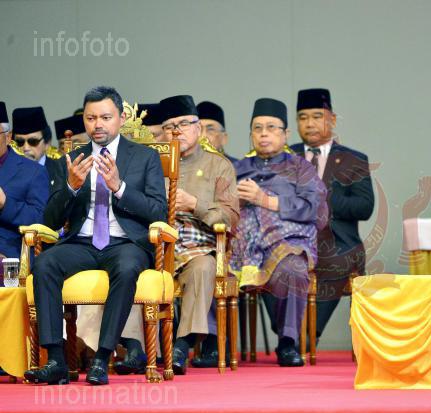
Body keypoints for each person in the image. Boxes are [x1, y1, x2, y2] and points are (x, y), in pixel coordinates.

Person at [23, 86, 167, 385]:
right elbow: (50, 220)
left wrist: (119, 187)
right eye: (91, 118)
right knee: (45, 263)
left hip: (126, 242)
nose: (97, 124)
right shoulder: (72, 159)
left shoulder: (145, 157)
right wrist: (71, 187)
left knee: (127, 268)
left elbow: (158, 212)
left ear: (121, 118)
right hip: (82, 242)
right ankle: (56, 360)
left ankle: (102, 359)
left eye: (105, 117)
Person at [113, 95, 239, 376]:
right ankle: (135, 348)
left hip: (197, 244)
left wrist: (195, 204)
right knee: (127, 265)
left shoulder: (219, 166)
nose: (176, 131)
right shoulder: (148, 162)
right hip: (154, 242)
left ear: (199, 128)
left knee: (204, 267)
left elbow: (231, 217)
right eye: (169, 126)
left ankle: (182, 345)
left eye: (183, 124)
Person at [231, 98, 328, 367]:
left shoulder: (301, 168)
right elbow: (219, 207)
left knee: (294, 269)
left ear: (286, 134)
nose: (264, 134)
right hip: (240, 249)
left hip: (285, 244)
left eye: (271, 127)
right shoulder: (236, 169)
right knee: (210, 268)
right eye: (258, 128)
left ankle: (287, 342)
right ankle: (214, 346)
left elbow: (315, 209)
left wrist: (265, 200)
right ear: (251, 134)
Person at [290, 89, 374, 344]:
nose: (310, 123)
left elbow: (364, 207)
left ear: (333, 120)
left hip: (337, 242)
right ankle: (289, 333)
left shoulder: (353, 160)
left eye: (317, 116)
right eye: (303, 117)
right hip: (291, 240)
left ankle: (305, 335)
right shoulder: (285, 157)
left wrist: (324, 197)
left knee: (337, 258)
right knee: (268, 260)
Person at [0, 101, 49, 264]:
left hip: (8, 250)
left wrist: (5, 203)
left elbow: (40, 219)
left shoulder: (33, 172)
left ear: (8, 137)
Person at [12, 106, 63, 188]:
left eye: (33, 141)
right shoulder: (5, 172)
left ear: (47, 143)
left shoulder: (62, 172)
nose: (26, 148)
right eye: (20, 142)